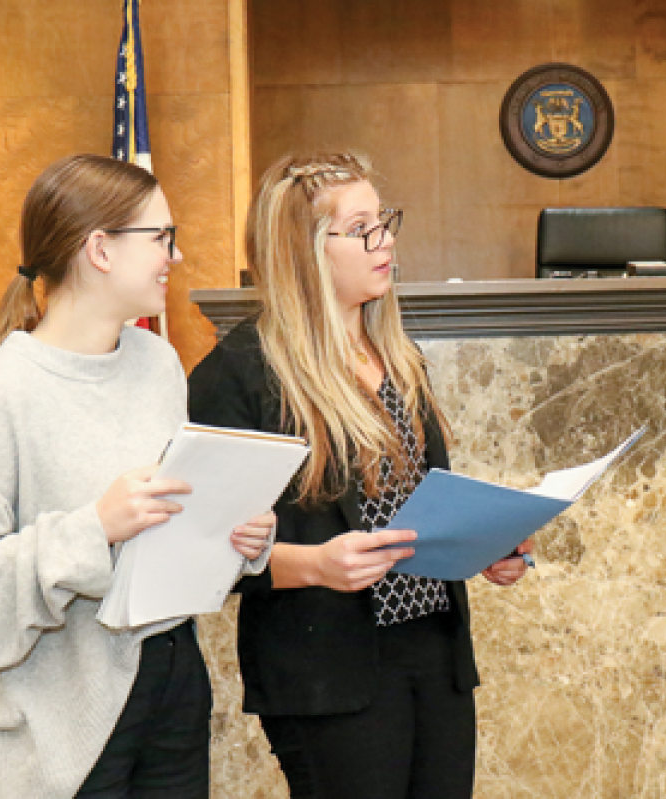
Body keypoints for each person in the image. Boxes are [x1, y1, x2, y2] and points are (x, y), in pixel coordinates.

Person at [0, 154, 275, 799]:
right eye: (160, 237)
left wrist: (233, 531)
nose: (176, 255)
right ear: (100, 249)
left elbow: (166, 524)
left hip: (170, 680)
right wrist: (93, 529)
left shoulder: (158, 363)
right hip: (55, 724)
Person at [186, 152, 533, 799]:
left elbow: (428, 507)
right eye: (363, 226)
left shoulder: (397, 356)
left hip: (435, 654)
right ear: (306, 248)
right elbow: (202, 552)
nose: (387, 240)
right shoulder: (242, 372)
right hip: (328, 672)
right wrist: (314, 564)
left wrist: (488, 543)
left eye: (386, 221)